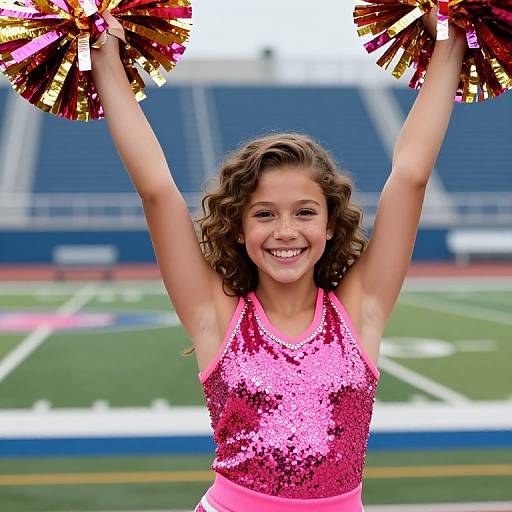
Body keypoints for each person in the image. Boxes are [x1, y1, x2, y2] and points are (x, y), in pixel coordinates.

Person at [91, 7, 466, 512]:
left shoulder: (361, 308)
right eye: (264, 214)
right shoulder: (215, 313)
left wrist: (451, 41)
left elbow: (411, 175)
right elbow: (157, 189)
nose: (285, 232)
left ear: (330, 225)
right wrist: (104, 54)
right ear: (240, 230)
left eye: (305, 213)